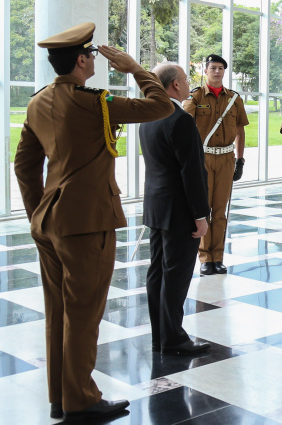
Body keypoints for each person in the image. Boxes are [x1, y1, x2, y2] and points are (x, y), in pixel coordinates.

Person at [15, 23, 174, 420]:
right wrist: (135, 68)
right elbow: (161, 105)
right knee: (84, 314)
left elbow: (24, 166)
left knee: (58, 313)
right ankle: (81, 400)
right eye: (91, 55)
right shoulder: (95, 102)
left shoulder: (37, 103)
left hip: (49, 223)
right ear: (83, 60)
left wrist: (40, 211)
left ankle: (60, 397)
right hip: (87, 223)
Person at [139, 63, 211, 356]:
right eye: (184, 78)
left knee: (157, 273)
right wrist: (200, 215)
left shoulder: (149, 116)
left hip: (157, 207)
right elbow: (191, 172)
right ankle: (174, 339)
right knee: (176, 277)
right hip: (180, 211)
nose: (188, 82)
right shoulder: (178, 118)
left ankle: (161, 335)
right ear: (175, 85)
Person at [183, 55, 248, 275]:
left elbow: (240, 130)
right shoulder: (195, 96)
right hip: (203, 158)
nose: (217, 72)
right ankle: (204, 257)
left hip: (226, 158)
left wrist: (240, 160)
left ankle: (217, 256)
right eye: (213, 68)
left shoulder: (234, 98)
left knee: (220, 210)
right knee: (204, 209)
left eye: (221, 68)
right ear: (205, 70)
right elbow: (184, 127)